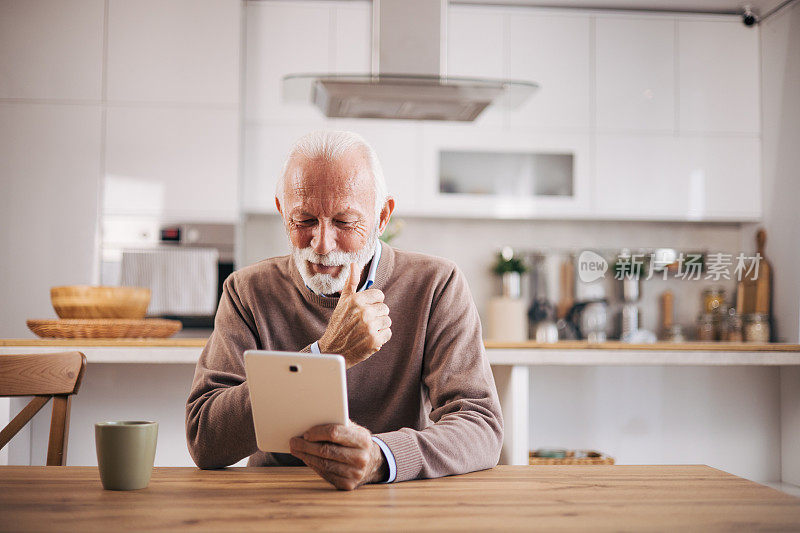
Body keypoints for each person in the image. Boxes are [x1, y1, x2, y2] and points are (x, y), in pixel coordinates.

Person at [185, 130, 503, 490]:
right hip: (276, 498)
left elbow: (480, 426)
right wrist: (325, 355)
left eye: (344, 222)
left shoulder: (436, 284)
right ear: (281, 212)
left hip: (395, 497)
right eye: (303, 221)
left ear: (382, 217)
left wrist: (381, 457)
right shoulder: (246, 291)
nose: (322, 244)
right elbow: (204, 438)